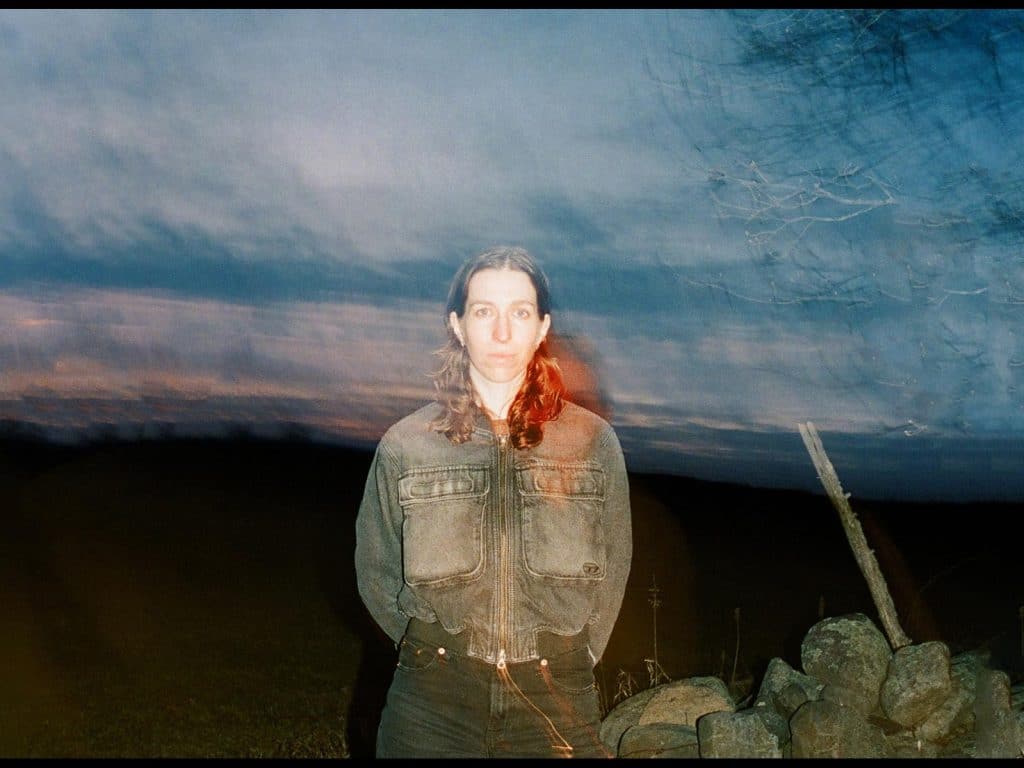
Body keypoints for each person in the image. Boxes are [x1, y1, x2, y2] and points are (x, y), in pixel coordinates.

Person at [354, 245, 632, 758]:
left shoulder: (593, 442)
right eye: (484, 312)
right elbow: (376, 573)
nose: (502, 332)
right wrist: (431, 656)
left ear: (542, 327)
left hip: (557, 701)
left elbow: (614, 566)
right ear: (457, 325)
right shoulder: (406, 444)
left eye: (519, 313)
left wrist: (574, 656)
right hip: (431, 705)